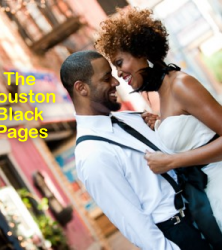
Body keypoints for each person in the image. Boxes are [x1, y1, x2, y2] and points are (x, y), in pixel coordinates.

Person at [94, 7, 222, 249]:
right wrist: (160, 125)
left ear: (141, 50)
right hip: (209, 193)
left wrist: (173, 161)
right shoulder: (158, 95)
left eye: (120, 63)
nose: (119, 74)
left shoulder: (181, 84)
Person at [60, 50, 211, 250]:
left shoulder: (133, 118)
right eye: (106, 78)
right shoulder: (92, 154)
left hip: (202, 212)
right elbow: (133, 223)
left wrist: (161, 126)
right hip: (178, 235)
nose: (116, 82)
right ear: (82, 88)